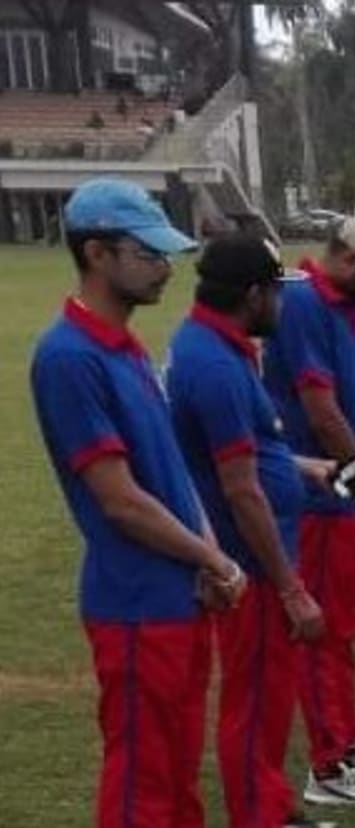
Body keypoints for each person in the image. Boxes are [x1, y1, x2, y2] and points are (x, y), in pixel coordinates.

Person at [30, 178, 241, 826]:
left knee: (178, 772)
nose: (164, 268)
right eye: (147, 253)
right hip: (135, 603)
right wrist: (215, 558)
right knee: (142, 783)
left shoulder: (128, 348)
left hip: (177, 594)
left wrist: (207, 558)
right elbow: (119, 501)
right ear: (98, 254)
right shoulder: (69, 358)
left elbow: (171, 471)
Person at [167, 237, 338, 828]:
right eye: (275, 292)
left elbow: (250, 455)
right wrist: (290, 586)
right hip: (255, 564)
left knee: (268, 695)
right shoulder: (213, 363)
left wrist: (297, 466)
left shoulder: (226, 350)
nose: (282, 306)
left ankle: (268, 802)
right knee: (256, 699)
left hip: (265, 555)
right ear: (252, 295)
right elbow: (239, 487)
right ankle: (259, 813)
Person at [264, 215, 355, 806]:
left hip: (349, 492)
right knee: (324, 631)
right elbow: (321, 409)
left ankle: (348, 740)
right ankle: (328, 764)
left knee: (345, 625)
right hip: (321, 500)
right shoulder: (303, 305)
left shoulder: (348, 311)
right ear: (351, 261)